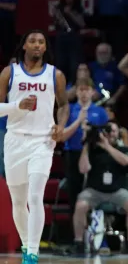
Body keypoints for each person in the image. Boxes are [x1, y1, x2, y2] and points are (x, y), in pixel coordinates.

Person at [0, 30, 69, 264]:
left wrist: (61, 125)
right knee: (19, 202)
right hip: (15, 140)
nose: (37, 45)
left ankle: (32, 253)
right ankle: (26, 245)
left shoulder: (55, 75)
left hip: (42, 141)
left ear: (45, 47)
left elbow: (63, 105)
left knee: (36, 195)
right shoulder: (9, 73)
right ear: (24, 46)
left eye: (41, 42)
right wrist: (17, 106)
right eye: (32, 41)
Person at [72, 121, 128, 255]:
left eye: (113, 131)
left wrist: (107, 146)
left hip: (117, 191)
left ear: (118, 134)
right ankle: (78, 242)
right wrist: (86, 144)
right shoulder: (93, 150)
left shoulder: (122, 149)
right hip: (94, 190)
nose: (111, 134)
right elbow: (83, 169)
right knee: (80, 205)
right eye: (108, 131)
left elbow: (126, 161)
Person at [60, 78, 110, 212]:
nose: (83, 93)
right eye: (81, 89)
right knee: (74, 193)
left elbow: (107, 136)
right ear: (76, 92)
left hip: (95, 154)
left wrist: (91, 133)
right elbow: (62, 136)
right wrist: (78, 121)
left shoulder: (100, 111)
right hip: (73, 154)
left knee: (95, 191)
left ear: (92, 92)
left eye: (87, 89)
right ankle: (74, 224)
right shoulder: (69, 109)